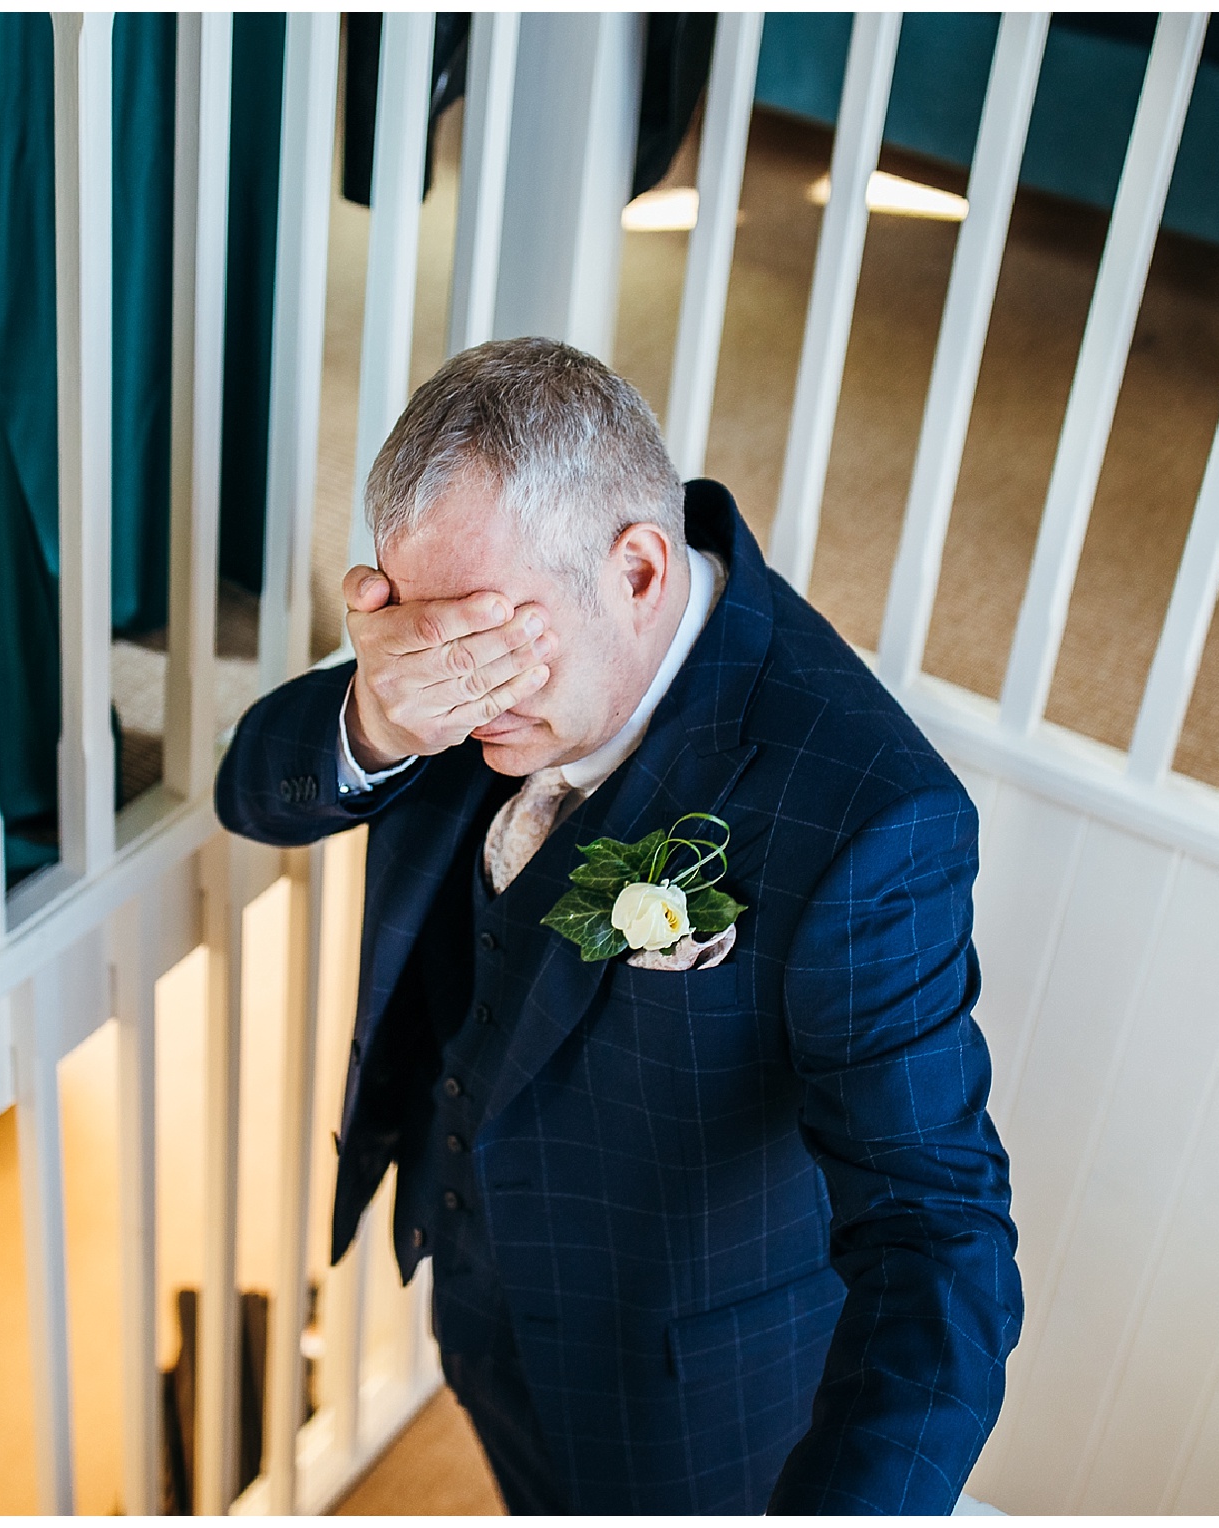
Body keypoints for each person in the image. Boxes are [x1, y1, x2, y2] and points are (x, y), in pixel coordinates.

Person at [216, 337, 1021, 1513]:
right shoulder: (453, 653)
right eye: (412, 630)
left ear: (639, 571)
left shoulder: (870, 817)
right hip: (480, 1293)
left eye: (489, 636)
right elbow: (255, 788)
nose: (457, 683)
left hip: (692, 1401)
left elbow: (938, 1233)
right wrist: (376, 715)